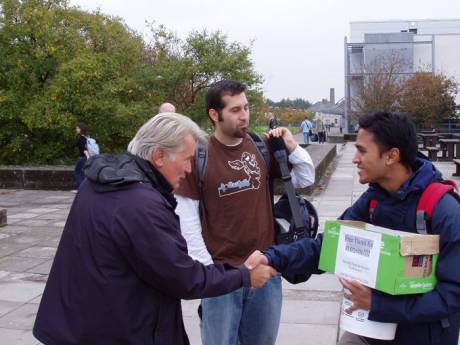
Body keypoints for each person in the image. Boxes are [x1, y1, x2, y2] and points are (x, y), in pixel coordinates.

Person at [33, 113, 277, 345]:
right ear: (160, 156)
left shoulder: (99, 183)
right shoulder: (140, 204)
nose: (189, 169)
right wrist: (244, 276)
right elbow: (182, 277)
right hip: (116, 332)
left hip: (80, 325)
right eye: (187, 159)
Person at [246, 111, 460, 345]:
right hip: (371, 332)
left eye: (362, 150)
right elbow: (327, 247)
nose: (355, 159)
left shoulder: (445, 212)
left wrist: (378, 305)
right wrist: (272, 257)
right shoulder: (373, 200)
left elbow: (453, 295)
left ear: (391, 156)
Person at [174, 80, 315, 345]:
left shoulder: (260, 147)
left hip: (265, 270)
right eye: (236, 109)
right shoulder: (199, 155)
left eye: (247, 107)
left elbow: (305, 178)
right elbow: (188, 219)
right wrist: (209, 273)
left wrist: (292, 146)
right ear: (215, 115)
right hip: (222, 278)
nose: (245, 115)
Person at [74, 122, 89, 189]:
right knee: (84, 173)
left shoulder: (81, 138)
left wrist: (88, 157)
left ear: (80, 129)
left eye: (77, 128)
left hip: (82, 157)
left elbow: (84, 149)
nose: (76, 129)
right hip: (85, 157)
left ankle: (80, 188)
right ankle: (85, 188)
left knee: (77, 172)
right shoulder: (87, 137)